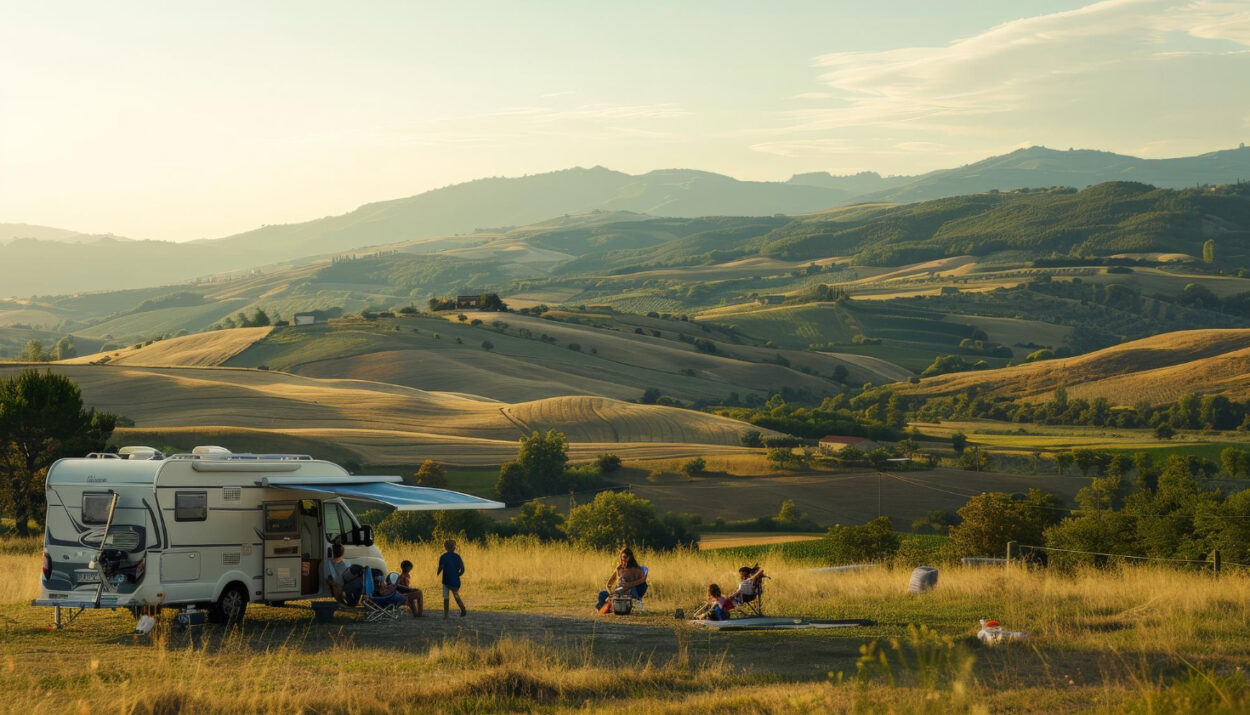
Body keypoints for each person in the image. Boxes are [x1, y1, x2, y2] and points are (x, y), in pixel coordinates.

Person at [596, 547, 648, 611]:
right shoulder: (619, 569)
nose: (622, 560)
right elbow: (608, 584)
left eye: (624, 557)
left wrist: (629, 585)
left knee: (629, 592)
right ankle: (608, 607)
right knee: (602, 594)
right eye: (621, 558)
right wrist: (611, 593)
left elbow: (643, 581)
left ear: (630, 557)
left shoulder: (637, 569)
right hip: (618, 593)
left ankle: (615, 606)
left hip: (629, 594)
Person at [436, 540, 466, 618]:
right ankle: (462, 609)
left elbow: (440, 567)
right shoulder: (457, 557)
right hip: (454, 579)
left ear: (445, 547)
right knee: (456, 595)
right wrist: (458, 574)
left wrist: (438, 573)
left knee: (446, 598)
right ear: (454, 548)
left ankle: (446, 615)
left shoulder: (443, 557)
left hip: (446, 579)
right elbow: (462, 569)